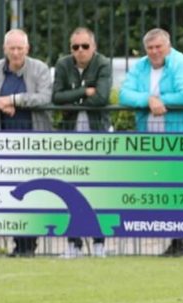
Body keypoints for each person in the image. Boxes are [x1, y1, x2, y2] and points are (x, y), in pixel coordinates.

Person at [119, 28, 183, 257]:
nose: (154, 52)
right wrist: (149, 101)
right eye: (150, 48)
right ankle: (176, 240)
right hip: (153, 140)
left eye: (159, 47)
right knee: (164, 189)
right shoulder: (141, 67)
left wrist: (161, 101)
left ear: (168, 45)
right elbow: (124, 94)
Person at [0, 29, 52, 258]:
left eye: (20, 48)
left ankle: (29, 246)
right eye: (12, 48)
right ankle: (19, 244)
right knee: (13, 195)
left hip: (35, 143)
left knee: (34, 195)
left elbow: (44, 98)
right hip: (3, 144)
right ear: (5, 49)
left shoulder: (40, 69)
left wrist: (14, 100)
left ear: (28, 49)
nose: (16, 53)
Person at [52, 27, 111, 258]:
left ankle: (99, 242)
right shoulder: (63, 65)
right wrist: (84, 92)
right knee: (70, 188)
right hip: (70, 136)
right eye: (75, 47)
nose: (80, 51)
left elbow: (102, 97)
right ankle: (73, 243)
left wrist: (74, 97)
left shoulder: (103, 63)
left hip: (98, 134)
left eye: (85, 46)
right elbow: (56, 98)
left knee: (98, 188)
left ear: (93, 47)